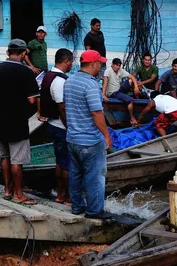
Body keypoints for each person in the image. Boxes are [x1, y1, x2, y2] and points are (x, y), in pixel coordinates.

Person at [0, 39, 40, 205]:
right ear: (23, 53)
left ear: (8, 52)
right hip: (17, 121)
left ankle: (7, 190)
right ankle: (19, 194)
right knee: (17, 160)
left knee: (4, 157)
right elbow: (32, 101)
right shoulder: (26, 72)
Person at [64, 50, 113, 220]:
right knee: (95, 178)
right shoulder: (91, 85)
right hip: (90, 141)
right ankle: (94, 211)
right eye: (100, 63)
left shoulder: (69, 81)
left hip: (72, 138)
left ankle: (77, 207)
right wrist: (107, 136)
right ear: (93, 64)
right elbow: (97, 114)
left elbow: (65, 107)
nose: (101, 66)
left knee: (75, 175)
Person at [40, 48, 73, 204]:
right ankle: (66, 196)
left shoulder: (48, 76)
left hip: (52, 124)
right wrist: (70, 127)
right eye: (71, 61)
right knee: (66, 163)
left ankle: (60, 195)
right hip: (61, 126)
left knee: (60, 161)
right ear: (66, 61)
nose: (72, 64)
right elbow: (62, 107)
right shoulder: (59, 80)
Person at [102, 58, 141, 126]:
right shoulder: (108, 71)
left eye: (119, 65)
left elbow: (132, 76)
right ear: (112, 65)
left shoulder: (120, 70)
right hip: (113, 93)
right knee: (130, 100)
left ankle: (137, 96)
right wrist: (104, 95)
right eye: (116, 65)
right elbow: (105, 83)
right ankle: (132, 118)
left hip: (119, 90)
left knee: (131, 81)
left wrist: (136, 87)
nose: (118, 67)